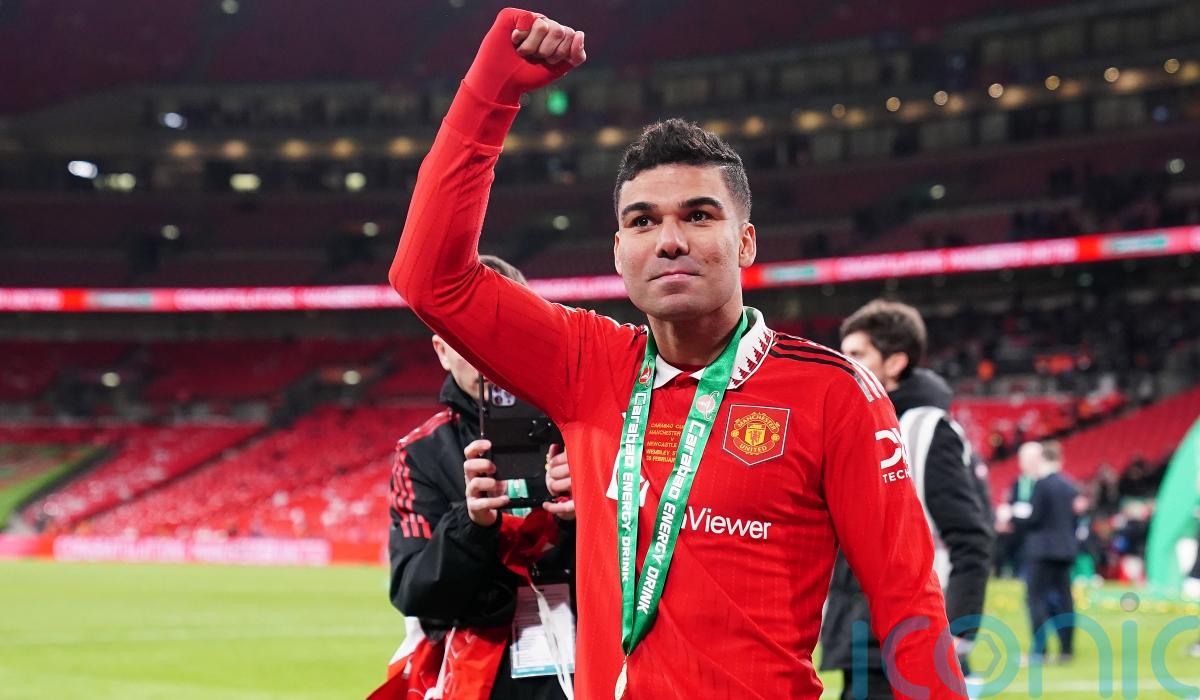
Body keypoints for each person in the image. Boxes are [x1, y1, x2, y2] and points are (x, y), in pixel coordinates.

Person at [388, 9, 965, 698]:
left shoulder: (834, 393)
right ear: (618, 251)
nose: (669, 240)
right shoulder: (585, 365)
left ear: (745, 241)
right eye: (643, 221)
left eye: (698, 215)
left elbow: (908, 603)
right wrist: (491, 91)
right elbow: (430, 278)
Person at [380, 255, 576, 700]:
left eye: (503, 329)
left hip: (591, 671)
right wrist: (471, 525)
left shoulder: (590, 431)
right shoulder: (422, 453)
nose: (486, 349)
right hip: (480, 682)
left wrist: (592, 511)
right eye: (465, 334)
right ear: (442, 351)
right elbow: (415, 595)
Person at [821, 300, 994, 698]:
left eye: (857, 354)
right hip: (859, 631)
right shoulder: (852, 423)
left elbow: (971, 536)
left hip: (911, 631)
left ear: (896, 362)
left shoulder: (928, 429)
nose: (844, 364)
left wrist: (960, 628)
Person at [1024, 440, 1080, 665]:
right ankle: (1066, 649)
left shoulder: (1042, 485)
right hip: (1065, 550)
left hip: (1042, 550)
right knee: (1064, 600)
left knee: (1036, 599)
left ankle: (1040, 651)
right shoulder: (1069, 486)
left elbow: (1034, 518)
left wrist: (1015, 519)